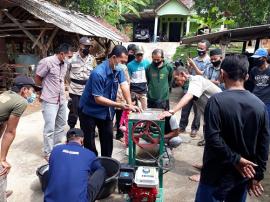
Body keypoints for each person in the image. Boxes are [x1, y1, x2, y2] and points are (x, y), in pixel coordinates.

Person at [195, 54, 270, 202]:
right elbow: (264, 145)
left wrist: (237, 159)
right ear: (247, 76)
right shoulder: (260, 106)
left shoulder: (216, 101)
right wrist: (257, 175)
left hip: (214, 175)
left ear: (222, 74)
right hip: (241, 177)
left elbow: (212, 138)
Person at [158, 66, 221, 182]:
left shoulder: (196, 80)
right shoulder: (192, 84)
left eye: (177, 79)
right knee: (208, 144)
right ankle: (206, 166)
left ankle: (206, 175)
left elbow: (188, 96)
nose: (177, 83)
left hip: (220, 118)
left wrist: (172, 111)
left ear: (183, 74)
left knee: (214, 145)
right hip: (211, 118)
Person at [79, 45, 141, 157]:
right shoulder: (98, 73)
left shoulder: (119, 70)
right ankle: (93, 164)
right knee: (89, 142)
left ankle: (107, 163)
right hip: (89, 110)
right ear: (113, 57)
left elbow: (124, 86)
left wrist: (130, 105)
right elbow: (98, 99)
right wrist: (121, 105)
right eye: (121, 61)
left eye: (125, 62)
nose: (123, 64)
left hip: (106, 110)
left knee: (107, 139)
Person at [0, 76, 41, 201]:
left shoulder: (6, 94)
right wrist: (2, 158)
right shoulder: (21, 102)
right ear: (24, 90)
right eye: (32, 91)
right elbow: (10, 132)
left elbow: (3, 123)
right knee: (2, 169)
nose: (34, 94)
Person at [44, 128, 106, 202]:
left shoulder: (55, 150)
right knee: (101, 170)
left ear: (66, 141)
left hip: (49, 200)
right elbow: (97, 169)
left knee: (48, 172)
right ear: (82, 140)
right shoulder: (89, 154)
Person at [35, 43, 73, 161]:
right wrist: (45, 89)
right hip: (50, 100)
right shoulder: (47, 62)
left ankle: (56, 148)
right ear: (62, 54)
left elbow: (61, 79)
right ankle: (48, 152)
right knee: (49, 128)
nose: (69, 59)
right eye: (69, 56)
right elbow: (37, 78)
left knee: (61, 124)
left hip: (61, 99)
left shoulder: (64, 64)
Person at [179, 40, 211, 139]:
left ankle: (194, 128)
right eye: (198, 47)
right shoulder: (195, 59)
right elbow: (190, 73)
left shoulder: (209, 61)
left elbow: (202, 74)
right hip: (190, 86)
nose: (199, 50)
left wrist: (193, 65)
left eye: (202, 48)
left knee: (197, 111)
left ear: (207, 49)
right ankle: (182, 126)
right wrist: (189, 67)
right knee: (185, 107)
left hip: (200, 89)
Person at [67, 37, 97, 129]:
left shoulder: (92, 59)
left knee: (87, 110)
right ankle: (72, 129)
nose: (87, 49)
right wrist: (70, 84)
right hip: (75, 89)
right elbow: (66, 73)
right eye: (85, 46)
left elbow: (94, 73)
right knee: (74, 111)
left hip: (87, 89)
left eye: (89, 47)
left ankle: (86, 129)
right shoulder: (71, 58)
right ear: (80, 46)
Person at [249, 48, 270, 123]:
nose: (256, 60)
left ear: (264, 58)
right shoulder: (254, 70)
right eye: (255, 58)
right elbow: (253, 82)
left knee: (266, 123)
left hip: (267, 102)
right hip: (255, 99)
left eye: (258, 58)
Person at [127, 45, 150, 110]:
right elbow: (128, 79)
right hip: (133, 91)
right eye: (138, 55)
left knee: (144, 109)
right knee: (133, 110)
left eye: (141, 55)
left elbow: (149, 76)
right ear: (134, 54)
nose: (140, 57)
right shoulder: (130, 65)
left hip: (143, 91)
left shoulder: (147, 63)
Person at [115, 62, 130, 142]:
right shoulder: (108, 67)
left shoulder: (124, 67)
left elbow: (127, 83)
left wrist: (126, 98)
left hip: (121, 96)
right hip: (110, 98)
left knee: (120, 117)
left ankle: (119, 135)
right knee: (108, 117)